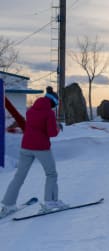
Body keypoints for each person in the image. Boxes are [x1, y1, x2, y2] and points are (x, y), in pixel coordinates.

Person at [0, 86, 67, 218]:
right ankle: (50, 202)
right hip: (41, 148)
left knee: (19, 176)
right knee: (51, 174)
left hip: (26, 147)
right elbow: (52, 133)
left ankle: (8, 205)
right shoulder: (49, 113)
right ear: (53, 102)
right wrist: (57, 127)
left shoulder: (30, 110)